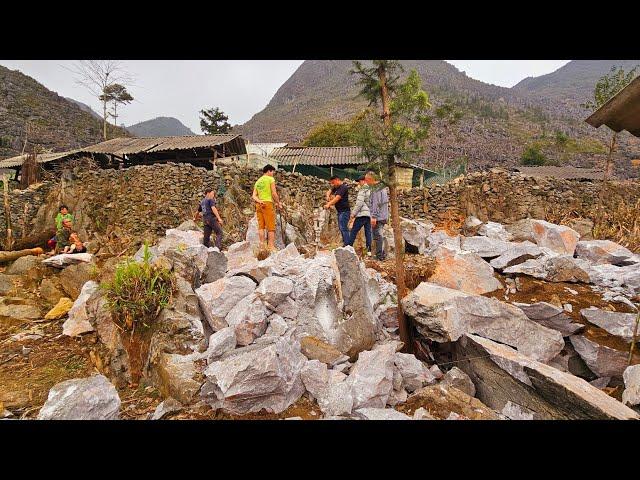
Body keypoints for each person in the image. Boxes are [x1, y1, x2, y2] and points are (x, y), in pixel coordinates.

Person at [252, 164, 281, 251]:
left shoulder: (258, 181)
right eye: (272, 172)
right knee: (271, 226)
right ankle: (271, 246)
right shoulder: (270, 179)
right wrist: (278, 203)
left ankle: (262, 245)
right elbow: (274, 193)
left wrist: (259, 201)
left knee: (261, 226)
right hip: (267, 203)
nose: (273, 174)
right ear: (269, 171)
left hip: (259, 205)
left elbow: (254, 196)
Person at [366, 171, 390, 260]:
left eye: (366, 180)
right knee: (380, 235)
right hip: (383, 215)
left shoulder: (376, 189)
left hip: (378, 217)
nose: (366, 182)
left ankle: (379, 256)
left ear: (371, 179)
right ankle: (382, 254)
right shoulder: (381, 187)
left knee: (377, 236)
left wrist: (374, 217)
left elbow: (376, 203)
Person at [347, 177, 372, 254]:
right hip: (368, 214)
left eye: (359, 181)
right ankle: (369, 251)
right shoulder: (370, 189)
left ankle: (348, 248)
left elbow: (359, 204)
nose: (358, 183)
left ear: (363, 181)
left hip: (362, 214)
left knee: (354, 231)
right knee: (368, 232)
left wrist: (353, 214)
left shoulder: (362, 190)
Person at [324, 176, 351, 246]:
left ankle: (348, 245)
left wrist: (329, 204)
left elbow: (337, 198)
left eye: (333, 183)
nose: (332, 184)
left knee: (343, 228)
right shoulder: (336, 187)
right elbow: (329, 191)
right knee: (341, 228)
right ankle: (346, 243)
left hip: (345, 211)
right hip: (340, 211)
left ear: (337, 180)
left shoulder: (343, 187)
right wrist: (327, 196)